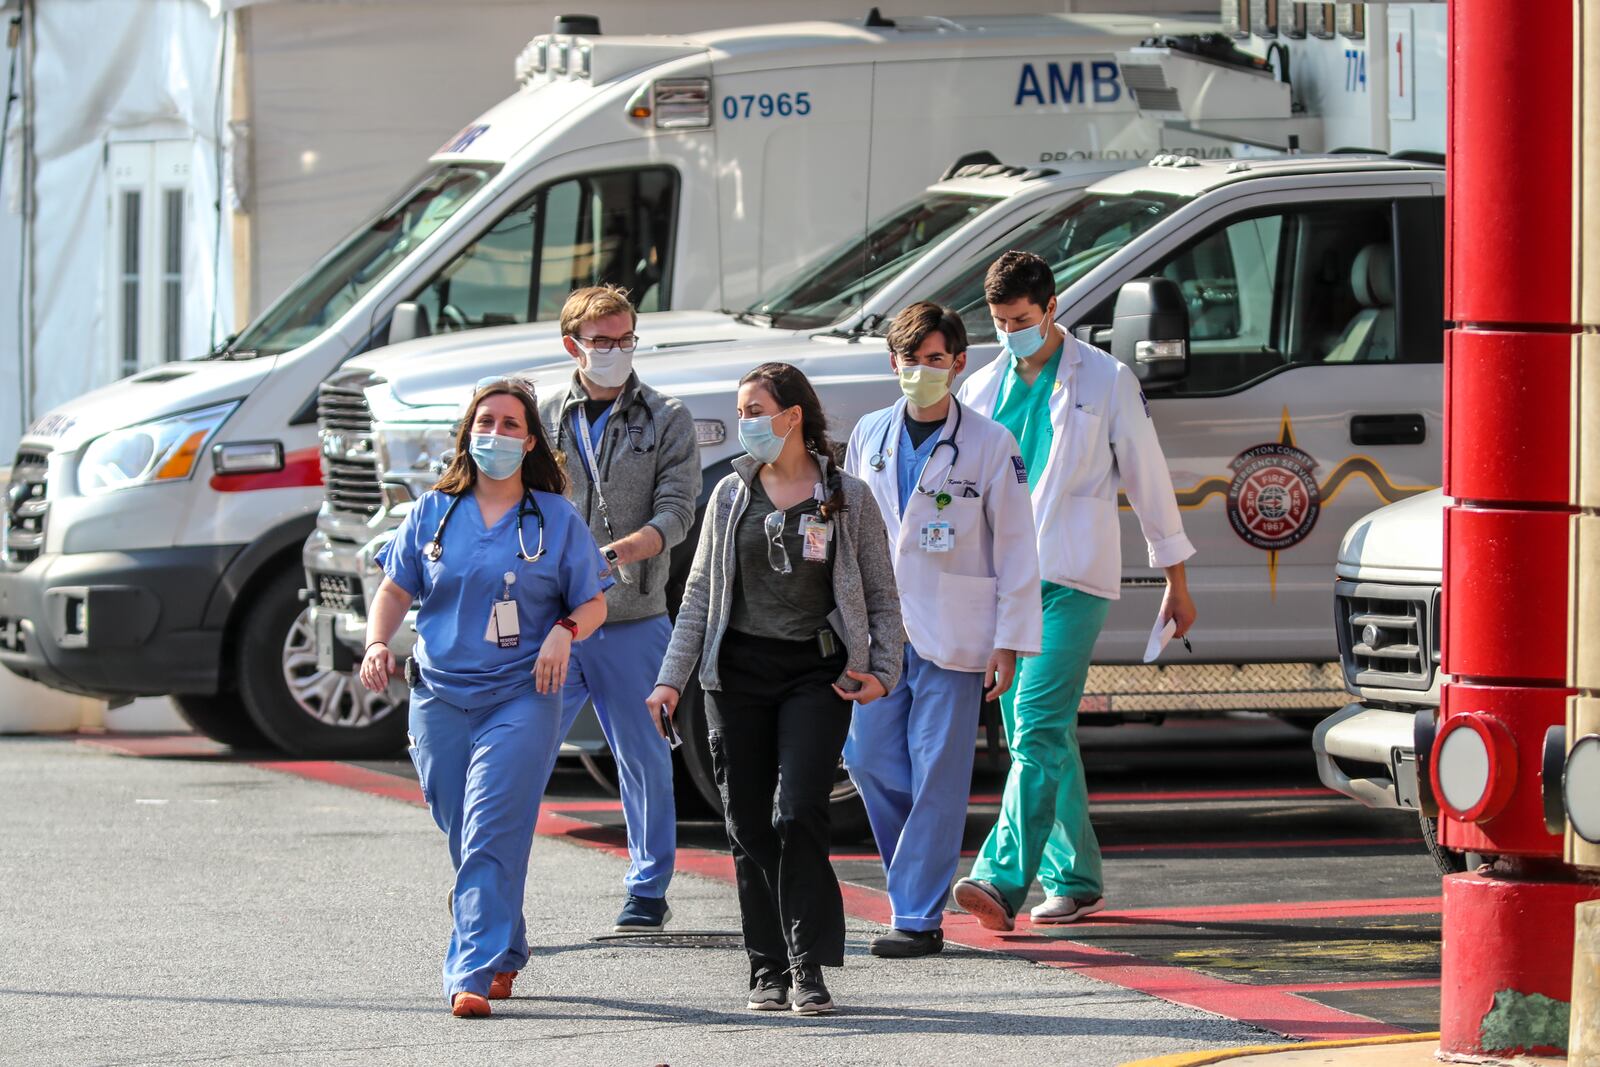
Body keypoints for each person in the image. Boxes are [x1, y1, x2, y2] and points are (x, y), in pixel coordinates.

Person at [645, 362, 903, 1015]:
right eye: (741, 411)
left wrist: (881, 666)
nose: (745, 423)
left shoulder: (846, 495)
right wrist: (670, 681)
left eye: (755, 409)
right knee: (746, 823)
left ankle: (806, 963)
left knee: (799, 813)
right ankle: (767, 966)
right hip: (734, 677)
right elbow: (699, 596)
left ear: (791, 416)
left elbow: (879, 593)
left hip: (814, 672)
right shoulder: (730, 494)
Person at [951, 250, 1198, 930]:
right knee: (1039, 733)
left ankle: (1000, 879)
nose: (1010, 333)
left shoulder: (1105, 378)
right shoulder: (980, 388)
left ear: (1053, 307)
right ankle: (1077, 875)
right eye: (1000, 321)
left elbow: (1148, 478)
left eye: (1022, 319)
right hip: (1005, 588)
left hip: (1071, 579)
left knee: (1035, 726)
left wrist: (1175, 578)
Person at [359, 377, 610, 1017]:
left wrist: (564, 631)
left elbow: (594, 599)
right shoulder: (433, 511)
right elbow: (394, 587)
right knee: (461, 824)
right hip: (439, 694)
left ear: (530, 443)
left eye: (509, 425)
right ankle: (506, 944)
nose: (495, 434)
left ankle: (469, 971)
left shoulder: (555, 518)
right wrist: (376, 642)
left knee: (491, 826)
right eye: (485, 422)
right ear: (469, 433)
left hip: (522, 695)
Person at [842, 302, 1042, 958]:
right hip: (877, 637)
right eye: (910, 359)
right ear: (891, 362)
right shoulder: (868, 433)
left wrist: (1009, 640)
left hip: (956, 633)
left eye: (935, 360)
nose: (921, 371)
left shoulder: (990, 444)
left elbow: (1017, 548)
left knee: (937, 772)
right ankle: (915, 886)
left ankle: (918, 915)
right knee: (870, 760)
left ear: (959, 363)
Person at [543, 284, 700, 932]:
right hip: (552, 618)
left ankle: (646, 889)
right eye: (602, 341)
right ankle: (490, 875)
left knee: (643, 757)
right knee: (519, 747)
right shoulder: (546, 413)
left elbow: (678, 509)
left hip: (632, 612)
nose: (614, 351)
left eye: (625, 338)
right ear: (572, 344)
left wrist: (622, 550)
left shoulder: (666, 415)